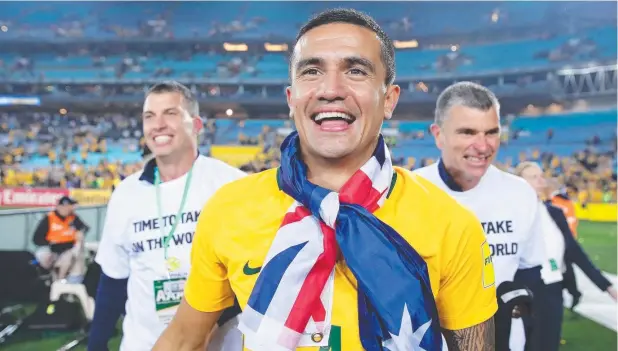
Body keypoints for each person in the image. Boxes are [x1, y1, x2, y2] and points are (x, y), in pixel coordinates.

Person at [154, 9, 497, 351]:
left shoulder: (452, 225)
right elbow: (184, 338)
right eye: (312, 71)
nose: (331, 89)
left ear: (389, 100)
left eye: (356, 70)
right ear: (292, 99)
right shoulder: (229, 209)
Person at [88, 81, 246, 351]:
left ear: (196, 125)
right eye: (149, 116)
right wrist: (97, 344)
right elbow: (113, 281)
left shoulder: (231, 185)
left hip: (217, 344)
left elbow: (250, 278)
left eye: (170, 113)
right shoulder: (126, 194)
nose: (157, 124)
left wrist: (195, 334)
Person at [413, 81, 546, 351]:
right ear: (438, 135)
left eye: (491, 132)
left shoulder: (520, 193)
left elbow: (531, 272)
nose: (482, 146)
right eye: (468, 132)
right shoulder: (409, 194)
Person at [514, 161, 617, 351]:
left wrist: (607, 287)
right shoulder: (509, 216)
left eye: (541, 176)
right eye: (533, 177)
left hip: (553, 291)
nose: (540, 180)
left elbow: (575, 252)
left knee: (548, 345)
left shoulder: (554, 213)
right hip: (522, 293)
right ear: (518, 182)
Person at [33, 195, 90, 282]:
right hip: (51, 249)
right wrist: (50, 243)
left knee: (70, 257)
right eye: (67, 206)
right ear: (60, 206)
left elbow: (85, 228)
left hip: (68, 249)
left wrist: (80, 232)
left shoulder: (73, 217)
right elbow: (36, 239)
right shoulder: (49, 218)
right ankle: (48, 279)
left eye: (70, 206)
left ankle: (60, 281)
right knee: (45, 257)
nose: (70, 209)